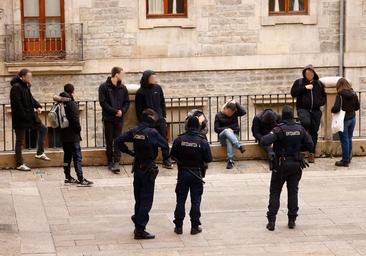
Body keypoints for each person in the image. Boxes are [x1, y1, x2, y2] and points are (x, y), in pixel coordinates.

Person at [115, 108, 169, 240]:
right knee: (146, 200)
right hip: (148, 169)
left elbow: (118, 141)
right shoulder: (152, 132)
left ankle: (137, 219)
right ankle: (140, 228)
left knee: (138, 198)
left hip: (137, 169)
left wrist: (130, 152)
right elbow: (165, 146)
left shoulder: (135, 131)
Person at [261, 105, 314, 231]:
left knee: (275, 192)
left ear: (282, 116)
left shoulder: (279, 129)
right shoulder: (300, 129)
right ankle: (292, 220)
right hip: (296, 164)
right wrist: (298, 149)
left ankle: (272, 221)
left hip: (281, 164)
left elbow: (264, 141)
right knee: (293, 192)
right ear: (293, 115)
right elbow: (311, 145)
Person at [171, 116, 212, 235]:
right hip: (196, 174)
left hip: (183, 173)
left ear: (187, 126)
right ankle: (194, 227)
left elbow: (173, 155)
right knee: (196, 201)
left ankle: (178, 226)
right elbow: (208, 158)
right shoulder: (202, 141)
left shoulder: (179, 139)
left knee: (180, 201)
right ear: (198, 127)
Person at [10, 68, 50, 171]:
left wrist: (38, 106)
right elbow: (17, 105)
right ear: (23, 76)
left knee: (43, 129)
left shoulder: (26, 86)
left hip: (30, 117)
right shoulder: (16, 87)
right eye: (29, 76)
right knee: (20, 141)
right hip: (21, 119)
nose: (31, 78)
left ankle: (40, 152)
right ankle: (20, 164)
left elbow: (31, 99)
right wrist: (25, 116)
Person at [53, 84, 93, 186]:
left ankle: (67, 177)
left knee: (67, 158)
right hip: (73, 136)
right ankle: (81, 178)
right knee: (77, 158)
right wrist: (78, 130)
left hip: (63, 135)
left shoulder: (59, 103)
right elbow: (75, 121)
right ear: (72, 91)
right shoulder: (72, 104)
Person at [135, 70, 173, 169]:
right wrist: (142, 122)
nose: (154, 79)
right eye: (152, 77)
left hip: (159, 119)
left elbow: (162, 102)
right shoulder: (140, 92)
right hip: (148, 122)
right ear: (147, 78)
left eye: (155, 77)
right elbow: (138, 109)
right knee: (151, 141)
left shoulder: (158, 88)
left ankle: (166, 159)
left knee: (164, 139)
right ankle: (152, 161)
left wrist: (163, 115)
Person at [290, 64, 326, 163]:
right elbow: (293, 93)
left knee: (314, 131)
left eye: (311, 73)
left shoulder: (319, 84)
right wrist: (305, 88)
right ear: (304, 73)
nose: (309, 74)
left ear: (314, 73)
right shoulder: (299, 82)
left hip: (315, 111)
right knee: (305, 123)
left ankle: (311, 153)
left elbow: (324, 97)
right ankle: (301, 146)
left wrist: (319, 102)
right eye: (307, 73)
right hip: (303, 109)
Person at [99, 67, 130, 174]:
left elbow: (127, 102)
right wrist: (115, 111)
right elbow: (103, 103)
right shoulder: (103, 87)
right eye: (122, 74)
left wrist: (122, 111)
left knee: (118, 140)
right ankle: (110, 161)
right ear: (116, 74)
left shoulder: (123, 88)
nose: (123, 76)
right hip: (108, 118)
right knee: (109, 140)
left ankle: (117, 162)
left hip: (119, 119)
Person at [331, 78, 360, 167]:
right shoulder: (353, 93)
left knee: (344, 140)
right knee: (349, 138)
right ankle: (349, 157)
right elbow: (357, 107)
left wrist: (332, 109)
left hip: (343, 120)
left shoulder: (340, 95)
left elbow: (336, 108)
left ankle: (345, 160)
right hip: (353, 118)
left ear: (339, 85)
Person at [214, 100, 246, 169]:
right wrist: (228, 129)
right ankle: (239, 146)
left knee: (229, 140)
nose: (230, 114)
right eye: (228, 112)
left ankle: (230, 161)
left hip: (234, 136)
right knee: (226, 131)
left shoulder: (235, 113)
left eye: (232, 113)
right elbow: (216, 129)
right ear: (225, 108)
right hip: (223, 137)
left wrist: (236, 102)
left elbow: (244, 112)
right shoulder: (218, 115)